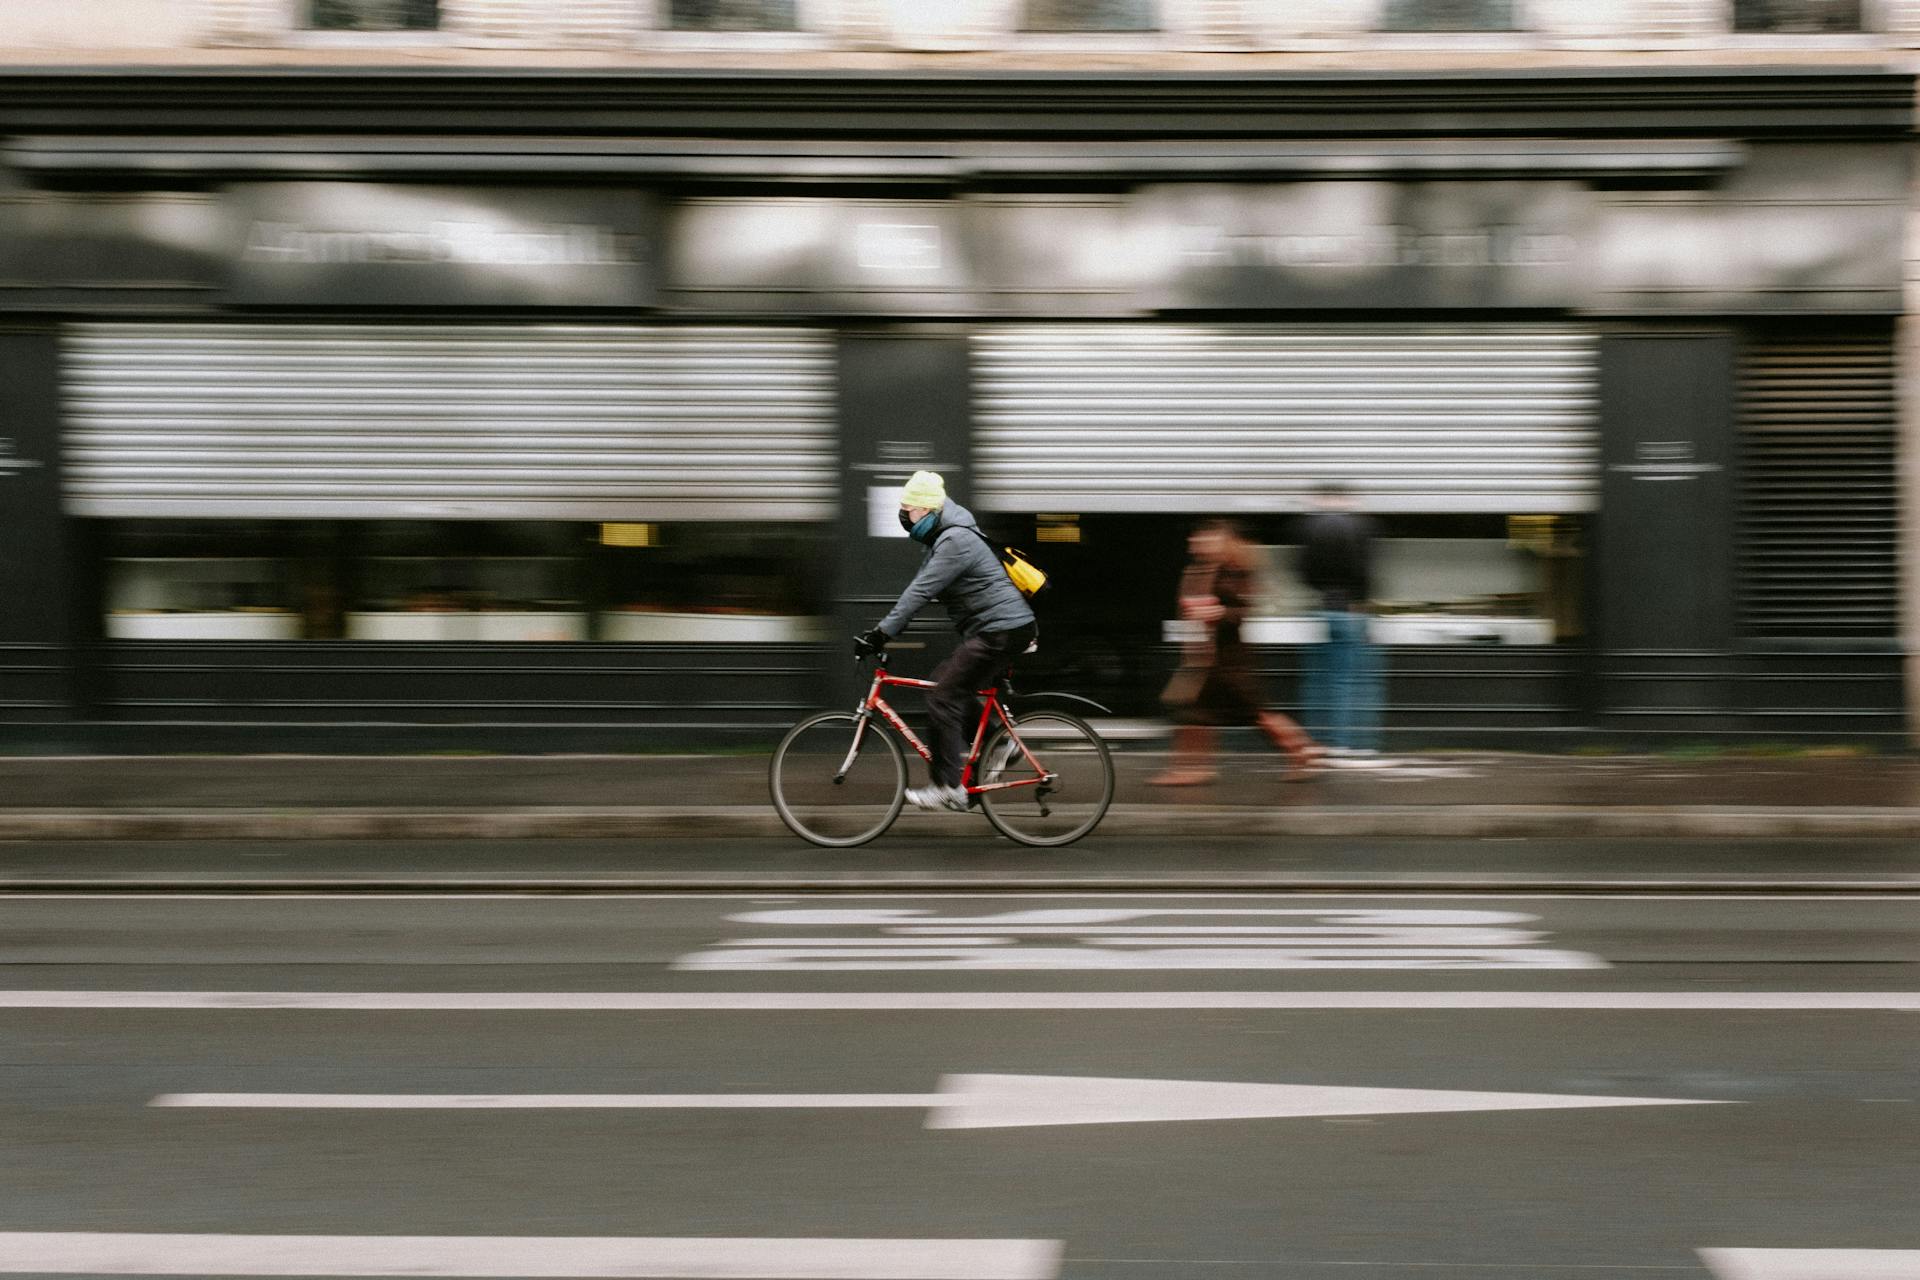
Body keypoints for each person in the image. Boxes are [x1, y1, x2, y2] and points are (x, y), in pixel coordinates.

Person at [856, 471, 1037, 812]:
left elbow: (920, 592)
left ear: (925, 511)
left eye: (907, 510)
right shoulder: (946, 537)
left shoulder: (955, 541)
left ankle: (947, 786)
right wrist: (888, 629)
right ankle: (1000, 743)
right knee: (947, 683)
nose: (903, 516)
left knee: (943, 696)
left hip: (1001, 630)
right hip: (1000, 628)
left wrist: (881, 633)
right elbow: (921, 589)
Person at [1153, 520, 1321, 786]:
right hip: (1204, 660)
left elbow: (1243, 612)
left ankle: (1304, 751)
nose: (1194, 543)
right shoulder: (1200, 570)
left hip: (1231, 662)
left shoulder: (1234, 570)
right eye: (1195, 539)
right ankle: (1192, 768)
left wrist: (1218, 612)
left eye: (1203, 539)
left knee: (1257, 715)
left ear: (1220, 542)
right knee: (1193, 715)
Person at [1297, 483, 1383, 758]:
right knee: (1354, 680)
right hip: (1352, 609)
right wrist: (1362, 602)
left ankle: (1316, 740)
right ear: (1346, 499)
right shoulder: (1361, 526)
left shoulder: (1308, 528)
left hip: (1322, 607)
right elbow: (1365, 569)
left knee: (1319, 679)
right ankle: (1349, 743)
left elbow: (1302, 571)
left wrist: (1322, 592)